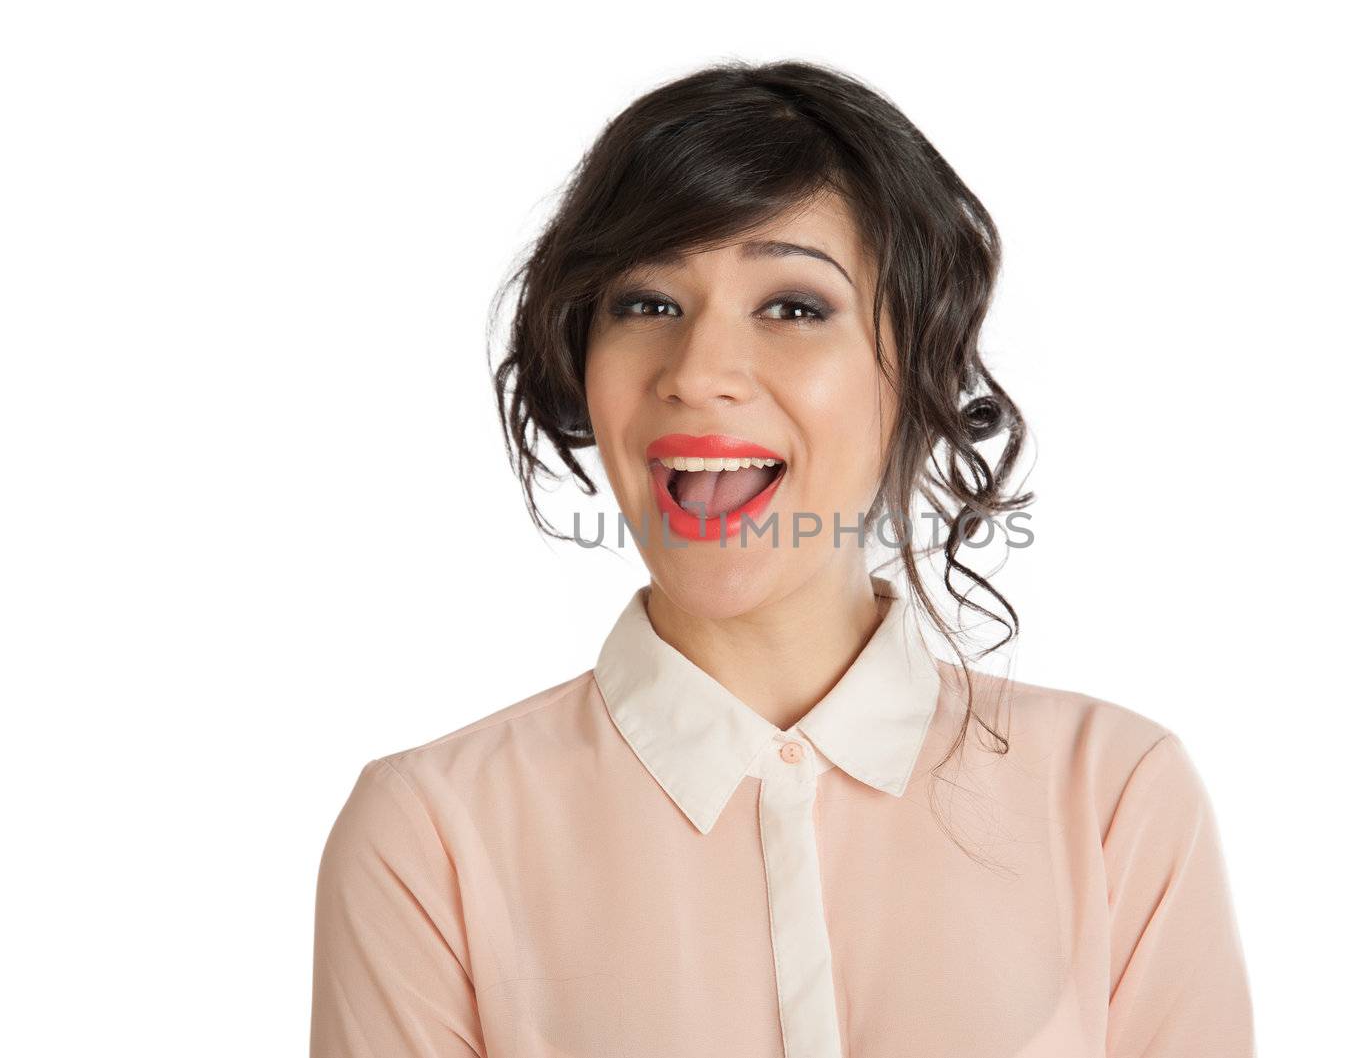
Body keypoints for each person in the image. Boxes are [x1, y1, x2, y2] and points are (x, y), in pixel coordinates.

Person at [309, 58, 1254, 1058]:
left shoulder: (1112, 800)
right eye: (647, 304)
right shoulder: (431, 835)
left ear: (917, 366)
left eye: (793, 306)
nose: (699, 375)